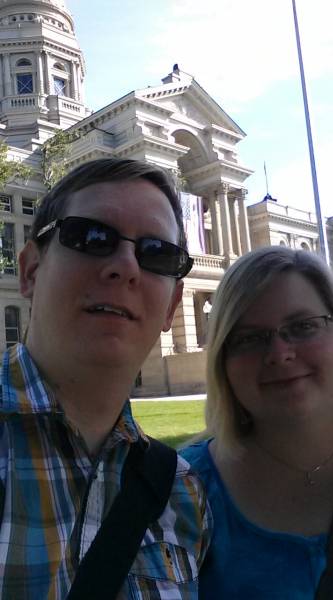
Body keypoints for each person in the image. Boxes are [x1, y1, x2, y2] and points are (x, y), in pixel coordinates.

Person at [0, 158, 212, 599]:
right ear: (30, 271)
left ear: (171, 308)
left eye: (157, 253)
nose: (126, 267)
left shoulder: (182, 495)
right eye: (93, 237)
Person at [181, 245, 333, 599]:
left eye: (303, 327)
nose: (280, 354)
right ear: (223, 361)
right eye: (250, 338)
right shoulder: (181, 494)